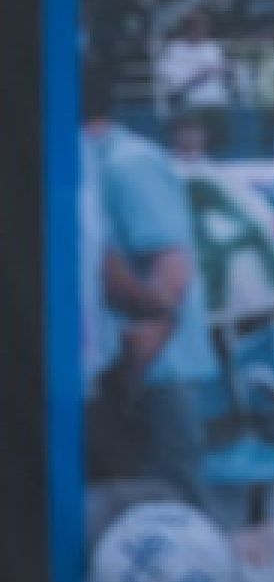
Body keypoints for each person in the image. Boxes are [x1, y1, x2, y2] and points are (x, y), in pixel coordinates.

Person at [81, 63, 219, 508]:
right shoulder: (85, 163)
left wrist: (127, 377)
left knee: (175, 512)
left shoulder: (129, 162)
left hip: (157, 375)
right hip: (119, 374)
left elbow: (171, 275)